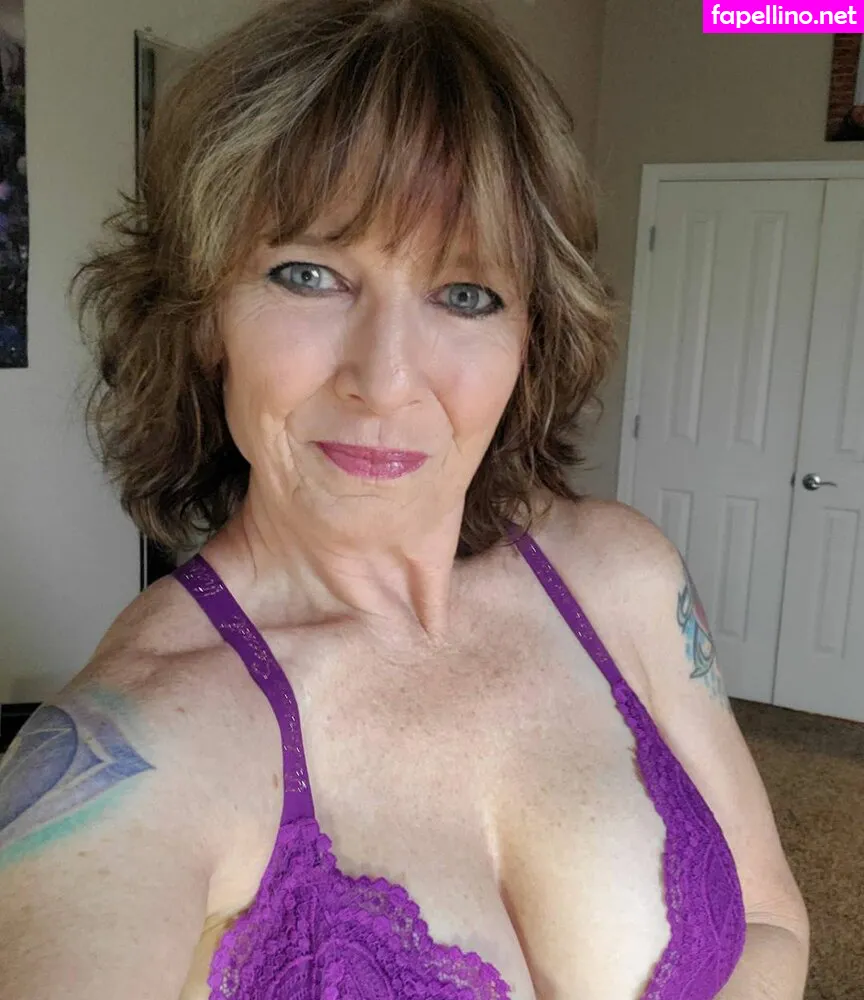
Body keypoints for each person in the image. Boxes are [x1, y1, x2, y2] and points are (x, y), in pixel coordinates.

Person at [0, 0, 809, 997]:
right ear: (204, 315)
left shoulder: (622, 578)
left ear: (531, 337)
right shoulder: (140, 747)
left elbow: (771, 919)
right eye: (308, 274)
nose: (384, 381)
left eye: (465, 294)